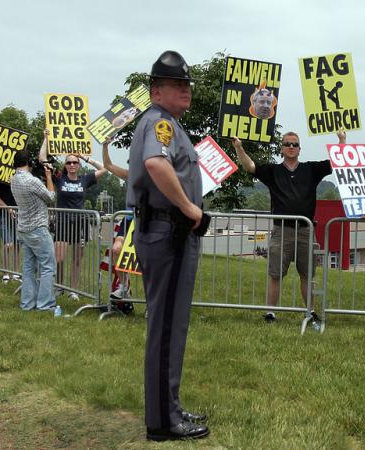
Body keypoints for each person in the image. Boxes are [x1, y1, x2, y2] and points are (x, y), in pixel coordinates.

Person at [127, 50, 210, 441]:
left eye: (187, 85)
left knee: (171, 327)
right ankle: (164, 421)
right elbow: (157, 166)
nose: (186, 92)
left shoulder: (169, 124)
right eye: (178, 85)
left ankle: (168, 406)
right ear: (156, 90)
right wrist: (190, 207)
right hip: (168, 233)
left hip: (166, 233)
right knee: (166, 328)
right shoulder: (159, 123)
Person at [233, 131, 333, 325]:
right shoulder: (273, 171)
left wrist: (342, 141)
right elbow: (250, 167)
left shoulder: (311, 169)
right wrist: (239, 147)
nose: (291, 147)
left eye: (295, 144)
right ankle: (270, 313)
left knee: (307, 274)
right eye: (287, 144)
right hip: (281, 230)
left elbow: (336, 162)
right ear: (281, 148)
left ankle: (310, 312)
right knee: (275, 274)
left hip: (305, 230)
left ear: (300, 148)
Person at [39, 129, 107, 301]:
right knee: (59, 259)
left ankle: (73, 291)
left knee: (77, 260)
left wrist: (84, 156)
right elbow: (42, 159)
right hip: (62, 222)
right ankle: (60, 286)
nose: (71, 165)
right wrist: (46, 139)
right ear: (65, 165)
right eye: (69, 162)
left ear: (78, 165)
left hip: (80, 223)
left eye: (74, 162)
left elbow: (105, 169)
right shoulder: (60, 178)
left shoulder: (85, 179)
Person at [10, 150, 57, 311]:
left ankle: (27, 303)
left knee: (28, 268)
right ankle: (45, 304)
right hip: (37, 228)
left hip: (24, 228)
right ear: (28, 163)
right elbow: (51, 197)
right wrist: (49, 176)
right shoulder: (32, 181)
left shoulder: (13, 179)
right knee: (47, 266)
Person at [101, 137, 132, 304]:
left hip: (148, 221)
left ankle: (153, 301)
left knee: (149, 260)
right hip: (129, 220)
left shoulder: (155, 176)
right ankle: (123, 286)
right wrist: (105, 145)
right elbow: (108, 166)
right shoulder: (128, 175)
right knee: (116, 249)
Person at [0, 181, 19, 283]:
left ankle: (16, 273)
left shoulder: (19, 178)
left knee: (17, 244)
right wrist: (8, 209)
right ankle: (6, 273)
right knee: (8, 244)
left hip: (19, 213)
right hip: (4, 215)